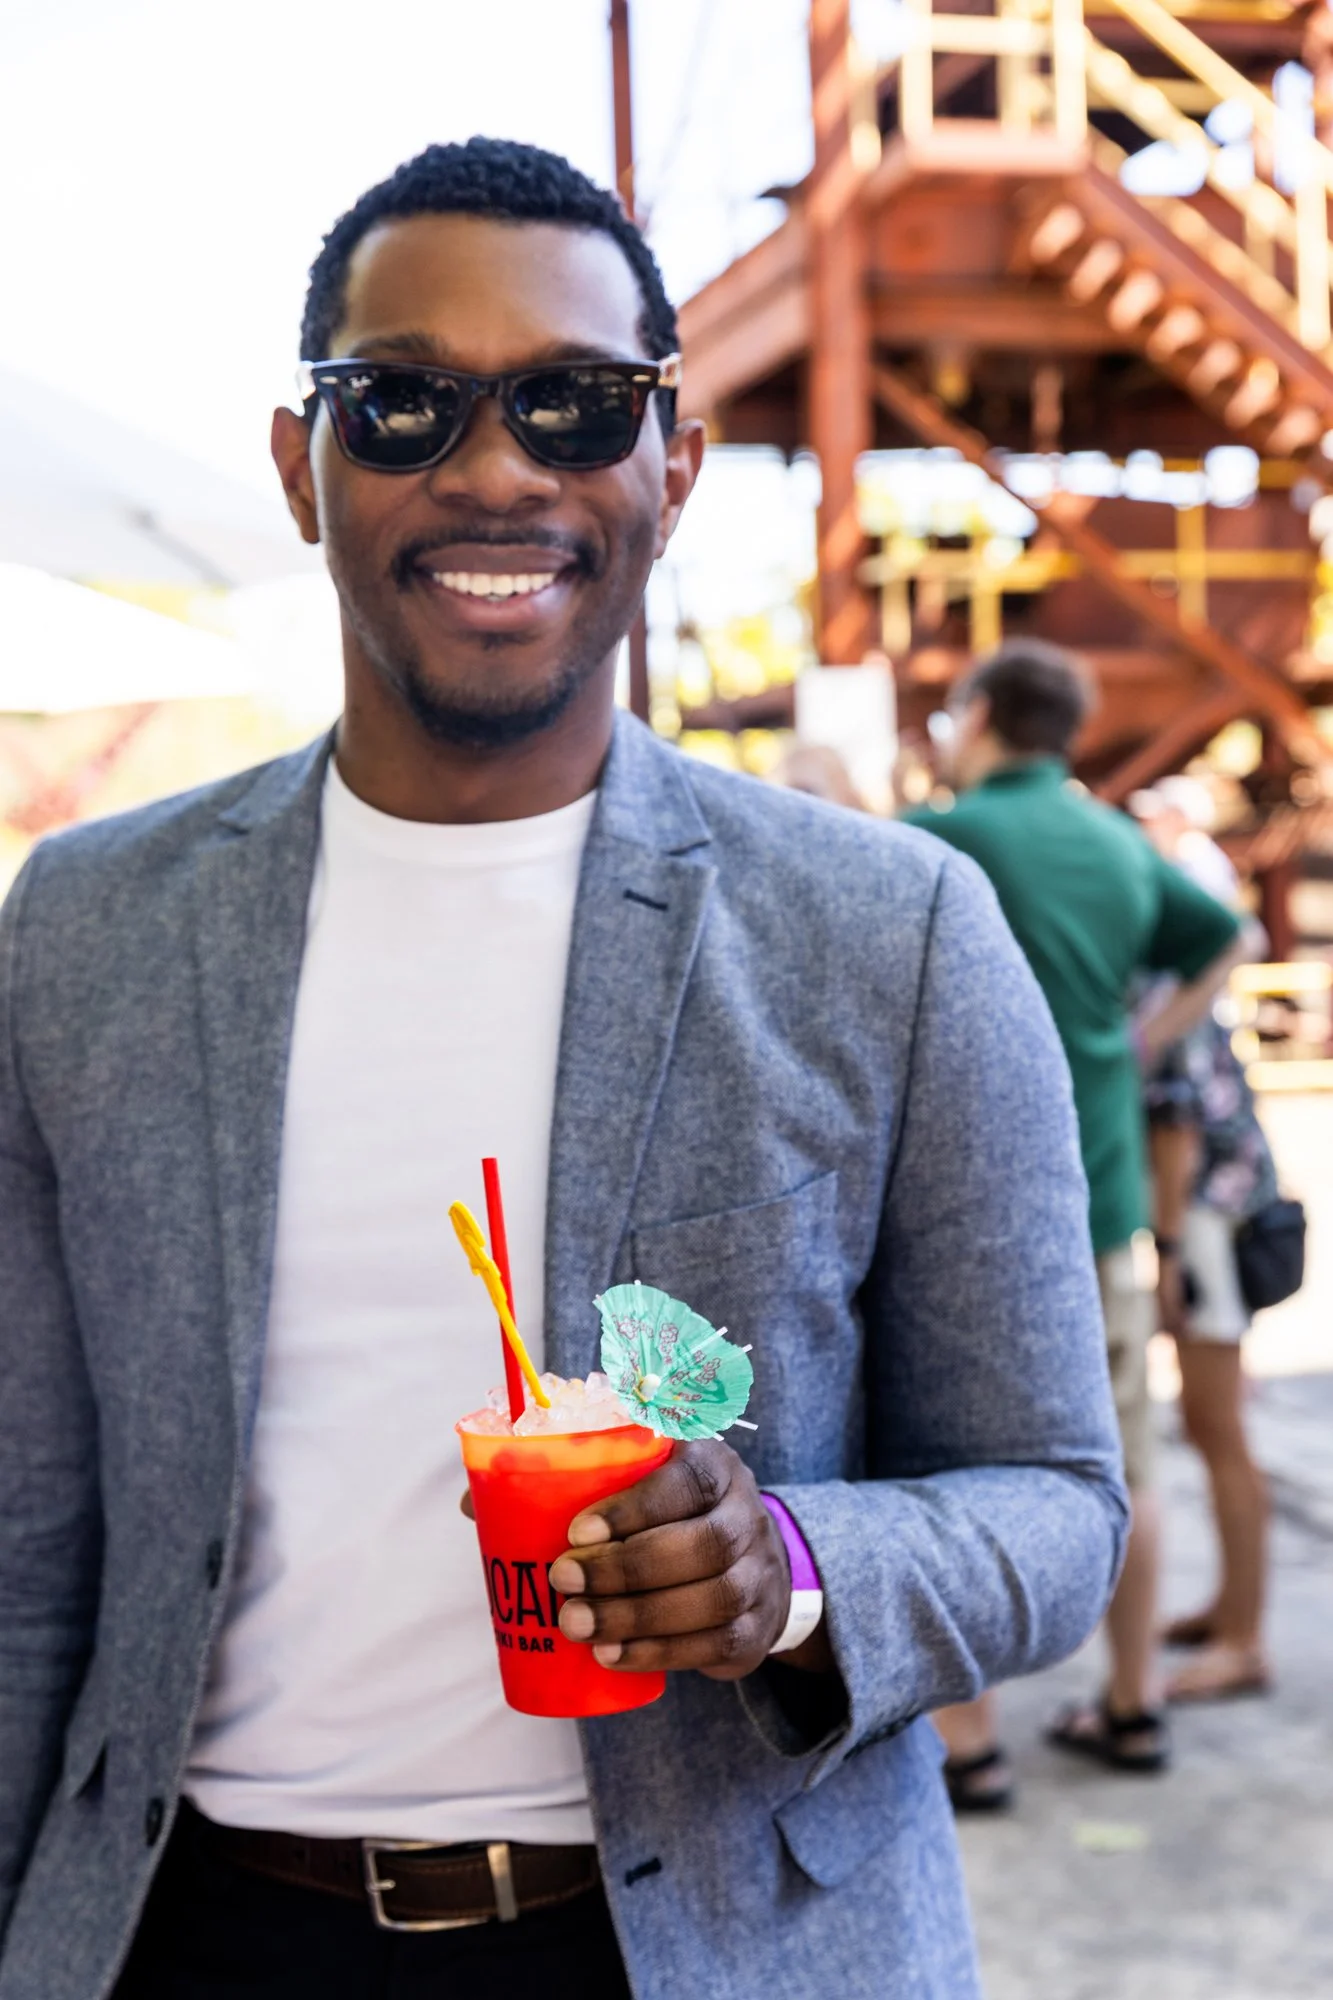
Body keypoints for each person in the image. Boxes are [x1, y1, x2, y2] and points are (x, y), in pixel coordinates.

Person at [0, 142, 1126, 2000]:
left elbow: (1054, 1500)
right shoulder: (88, 929)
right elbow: (34, 1543)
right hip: (188, 1930)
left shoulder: (892, 931)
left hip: (708, 1942)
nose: (496, 465)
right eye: (402, 402)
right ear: (305, 466)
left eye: (573, 404)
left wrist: (789, 1565)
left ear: (668, 471)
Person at [906, 640, 1247, 1804]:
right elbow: (1223, 940)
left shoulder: (947, 835)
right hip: (1101, 1193)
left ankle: (970, 1736)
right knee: (1122, 1456)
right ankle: (1134, 1698)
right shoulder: (1114, 838)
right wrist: (1146, 1033)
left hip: (963, 1203)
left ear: (987, 713)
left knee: (952, 1457)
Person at [1131, 781, 1277, 1703]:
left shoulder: (1162, 987)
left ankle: (1244, 1637)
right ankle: (1230, 1609)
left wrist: (1173, 1253)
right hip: (1214, 1217)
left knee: (1219, 1428)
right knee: (1207, 1422)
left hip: (1214, 1222)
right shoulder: (1175, 975)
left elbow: (1176, 1125)